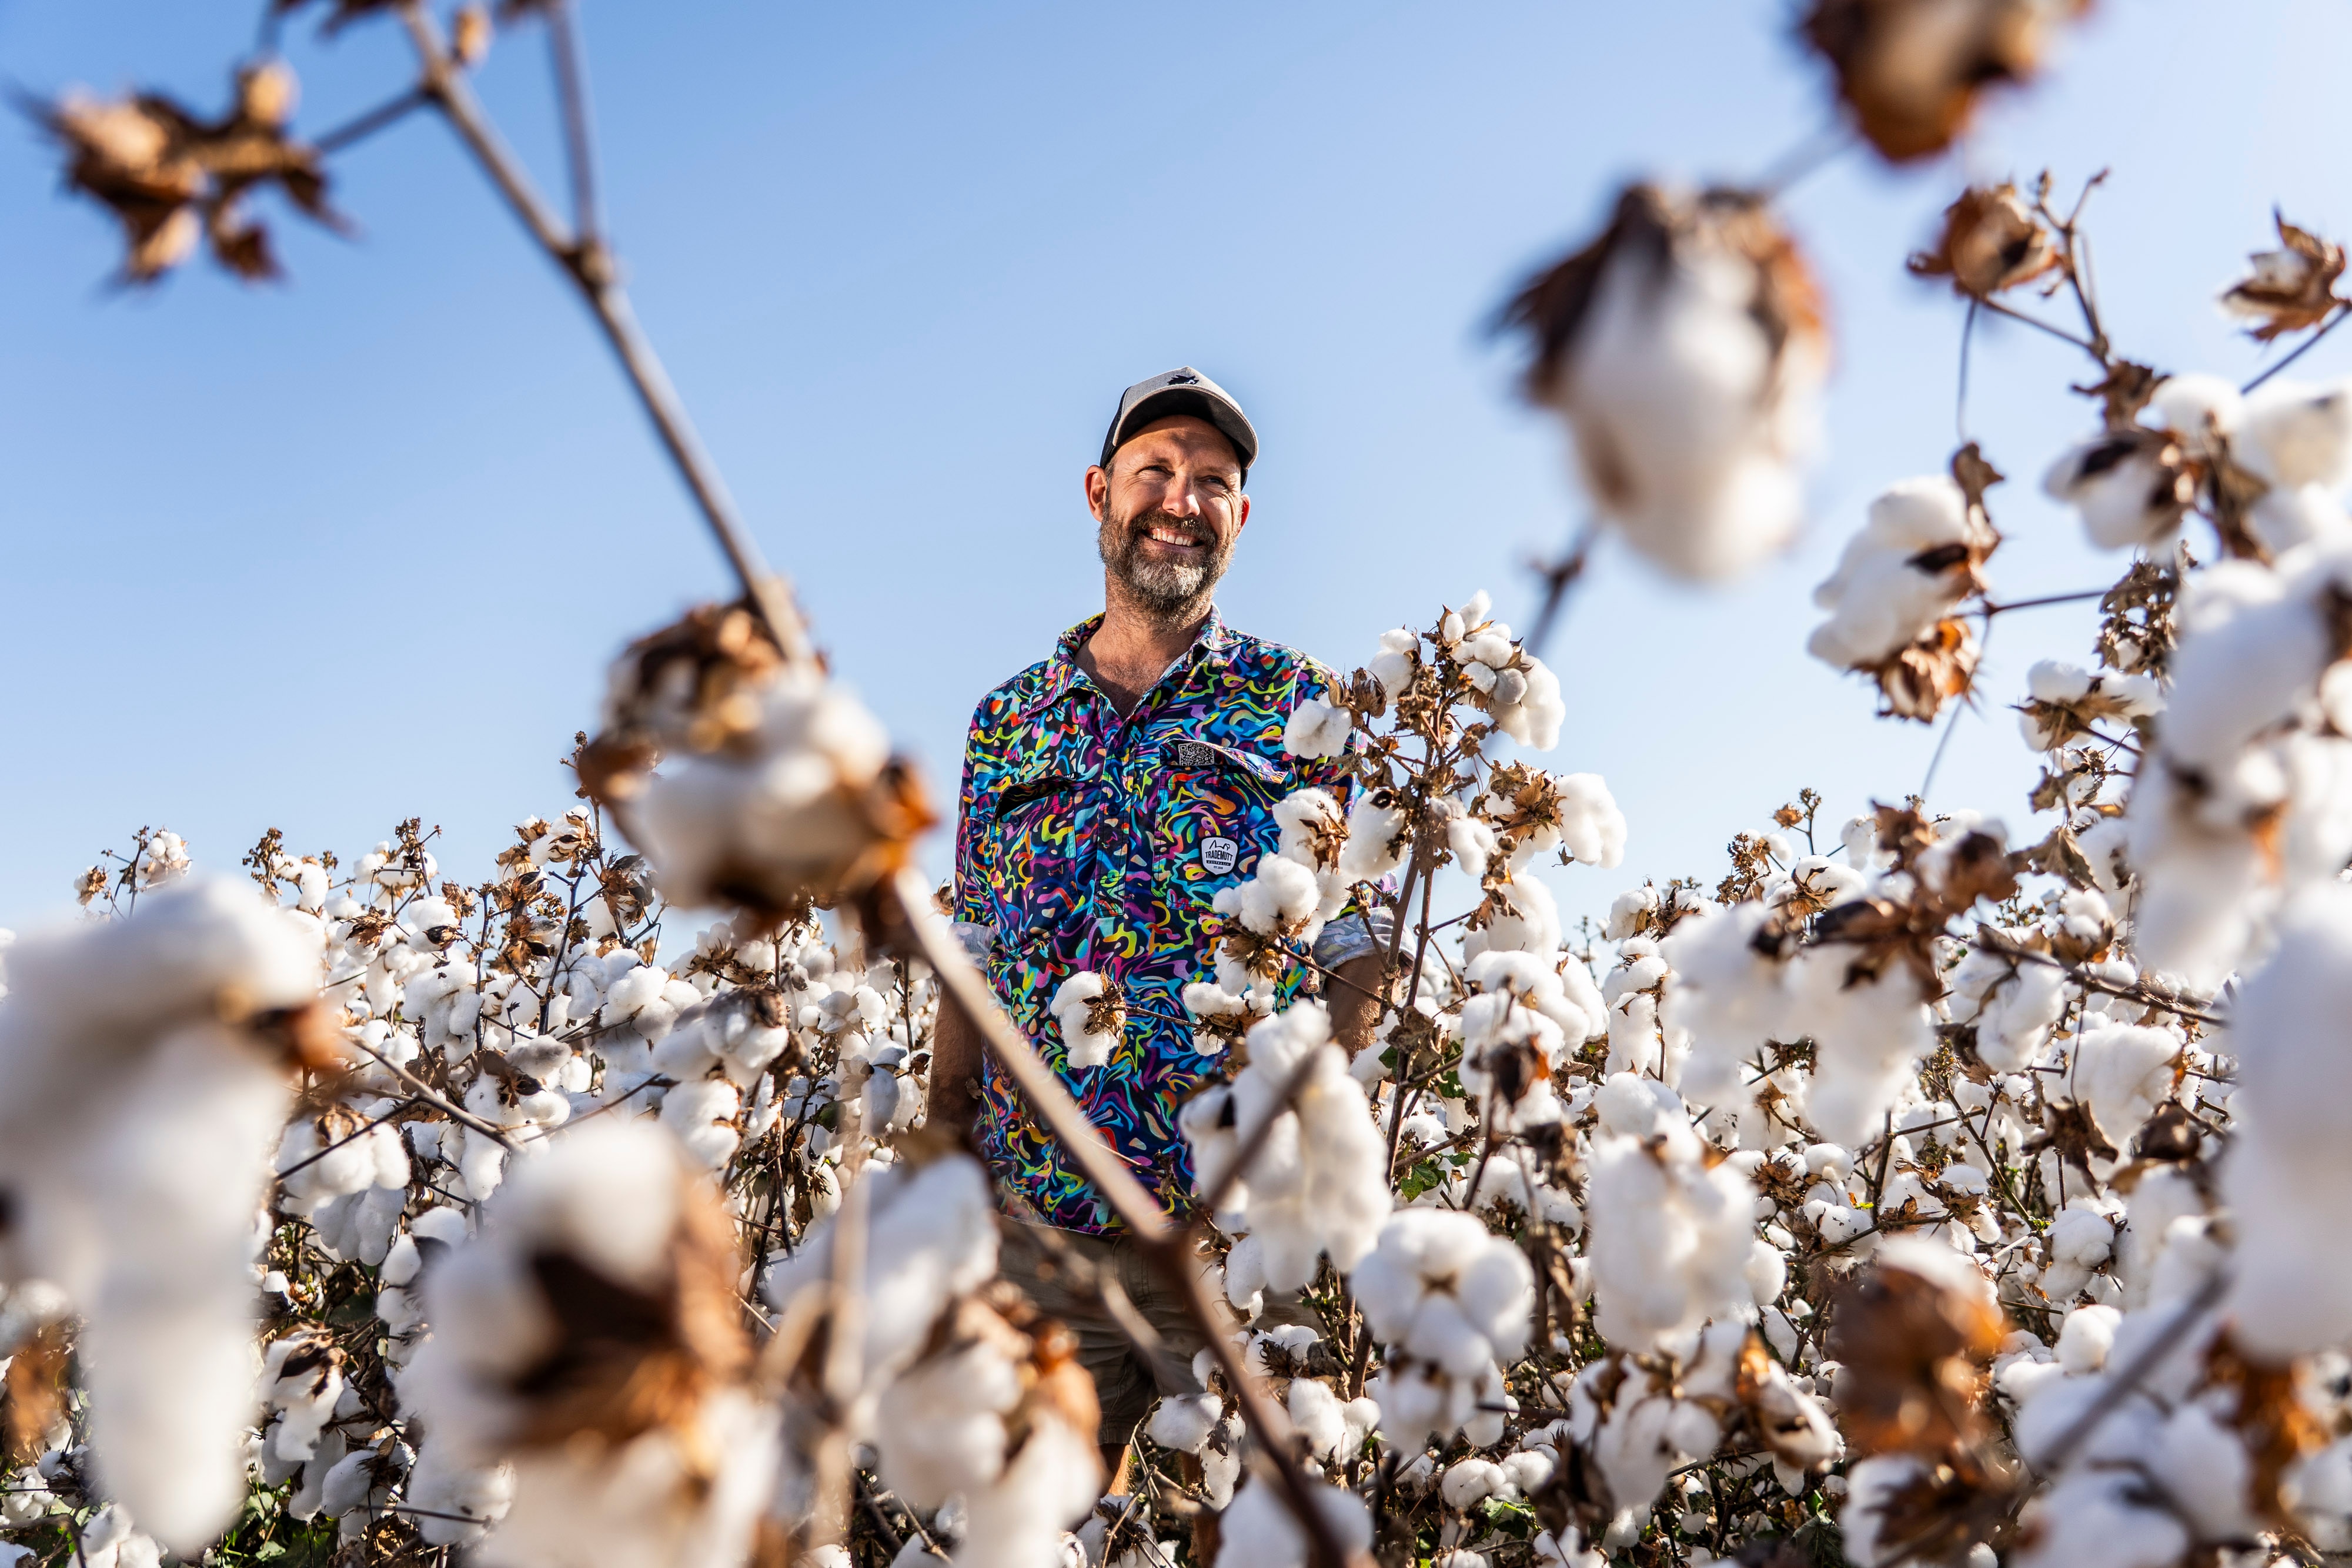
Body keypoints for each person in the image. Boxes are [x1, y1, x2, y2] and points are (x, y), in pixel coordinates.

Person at [926, 367, 1387, 1486]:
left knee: (1242, 1527)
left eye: (1212, 482)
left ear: (1240, 516)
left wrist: (1301, 1155)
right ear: (1099, 492)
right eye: (1155, 473)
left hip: (1232, 1248)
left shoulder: (1298, 703)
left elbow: (1355, 949)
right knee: (1033, 1525)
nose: (1180, 501)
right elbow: (975, 953)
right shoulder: (1007, 722)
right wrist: (943, 1154)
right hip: (1045, 1245)